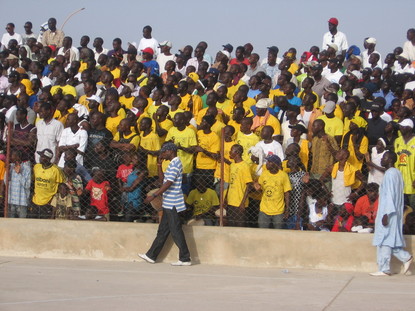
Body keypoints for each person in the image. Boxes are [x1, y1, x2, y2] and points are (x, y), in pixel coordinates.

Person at [138, 143, 191, 266]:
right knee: (162, 231)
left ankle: (185, 258)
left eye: (163, 152)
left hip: (173, 202)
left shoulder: (176, 163)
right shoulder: (171, 163)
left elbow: (168, 184)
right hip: (168, 202)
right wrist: (159, 165)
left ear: (170, 151)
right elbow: (162, 181)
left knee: (176, 230)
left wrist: (154, 195)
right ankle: (151, 255)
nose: (161, 154)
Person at [371, 151, 413, 276]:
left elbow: (390, 195)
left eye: (384, 157)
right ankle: (405, 258)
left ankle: (384, 268)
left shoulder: (390, 174)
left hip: (388, 212)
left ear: (390, 160)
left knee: (385, 239)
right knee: (389, 239)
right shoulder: (397, 173)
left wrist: (386, 214)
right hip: (394, 212)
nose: (382, 159)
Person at [255, 155, 292, 229]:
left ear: (276, 164)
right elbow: (259, 187)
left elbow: (287, 193)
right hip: (264, 210)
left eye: (269, 162)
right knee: (263, 232)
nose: (267, 164)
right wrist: (257, 187)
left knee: (277, 233)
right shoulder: (264, 174)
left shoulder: (283, 175)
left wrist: (287, 209)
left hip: (278, 211)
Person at [31, 149, 64, 218]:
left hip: (48, 201)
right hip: (35, 200)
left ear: (48, 158)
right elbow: (33, 181)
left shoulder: (56, 170)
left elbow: (61, 185)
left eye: (42, 156)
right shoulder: (37, 167)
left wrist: (53, 199)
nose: (40, 158)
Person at [226, 144, 253, 227]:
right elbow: (230, 183)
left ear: (237, 152)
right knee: (231, 224)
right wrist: (225, 198)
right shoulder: (232, 165)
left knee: (239, 224)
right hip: (231, 200)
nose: (230, 152)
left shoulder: (244, 166)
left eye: (232, 151)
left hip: (239, 201)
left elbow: (249, 185)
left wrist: (243, 203)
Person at [394, 119, 415, 209]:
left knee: (412, 209)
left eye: (403, 126)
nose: (400, 128)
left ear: (409, 128)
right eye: (400, 126)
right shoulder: (397, 141)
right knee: (401, 208)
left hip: (412, 182)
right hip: (400, 181)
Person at [8, 150, 31, 218]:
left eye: (13, 156)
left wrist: (19, 174)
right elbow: (6, 182)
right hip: (11, 200)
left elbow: (27, 185)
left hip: (22, 202)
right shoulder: (11, 167)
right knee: (10, 223)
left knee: (22, 224)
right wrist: (8, 171)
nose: (11, 157)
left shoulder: (26, 168)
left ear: (18, 157)